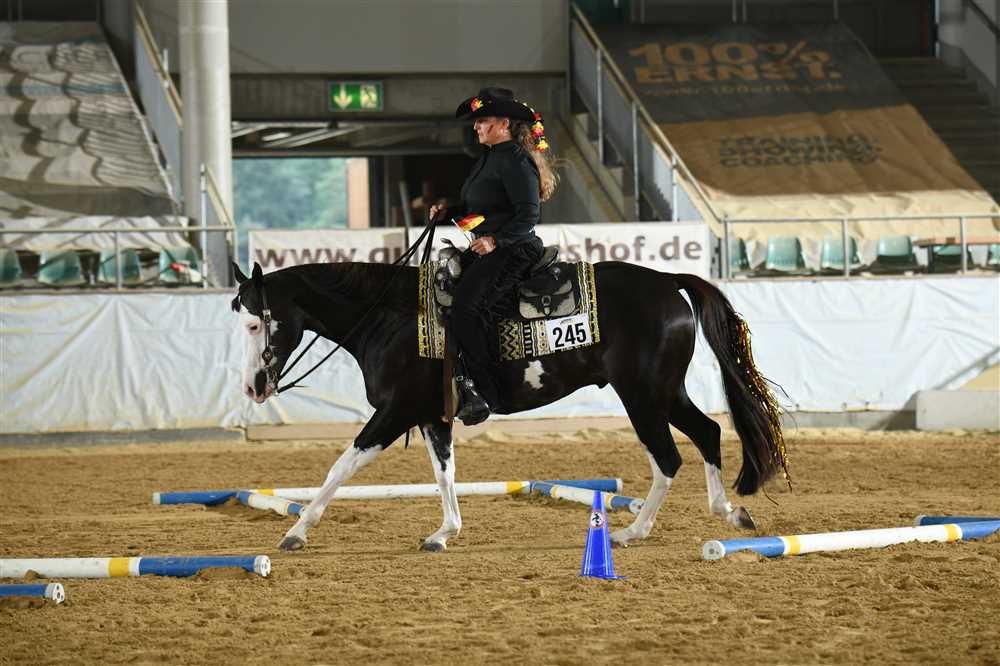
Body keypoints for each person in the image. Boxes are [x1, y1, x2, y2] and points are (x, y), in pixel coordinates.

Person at [429, 87, 559, 426]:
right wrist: (449, 211)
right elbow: (481, 209)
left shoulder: (515, 160)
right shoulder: (491, 157)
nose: (476, 127)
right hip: (493, 247)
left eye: (482, 120)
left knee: (466, 307)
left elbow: (528, 215)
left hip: (514, 250)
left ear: (504, 123)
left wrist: (496, 241)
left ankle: (487, 391)